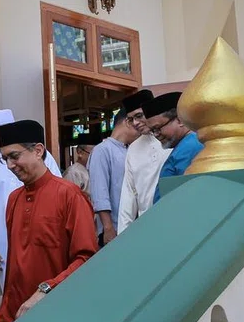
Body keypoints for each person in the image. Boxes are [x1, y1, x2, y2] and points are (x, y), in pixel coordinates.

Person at [0, 120, 98, 322]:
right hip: (10, 317)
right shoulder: (14, 199)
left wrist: (46, 290)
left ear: (38, 151)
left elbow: (86, 259)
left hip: (52, 315)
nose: (9, 165)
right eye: (5, 159)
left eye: (14, 156)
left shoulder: (69, 195)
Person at [0, 109, 61, 291]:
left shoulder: (42, 157)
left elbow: (57, 192)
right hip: (4, 240)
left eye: (0, 134)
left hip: (42, 234)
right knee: (12, 288)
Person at [117, 89, 170, 233]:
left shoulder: (171, 139)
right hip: (146, 225)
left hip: (173, 218)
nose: (135, 122)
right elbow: (128, 193)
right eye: (130, 119)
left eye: (139, 116)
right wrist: (123, 234)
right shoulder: (133, 149)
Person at [87, 110, 139, 246]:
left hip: (130, 226)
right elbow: (100, 193)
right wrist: (108, 227)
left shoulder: (131, 150)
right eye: (136, 122)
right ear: (128, 122)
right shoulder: (102, 150)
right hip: (113, 228)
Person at [142, 92, 205, 203]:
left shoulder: (190, 147)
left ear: (179, 120)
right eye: (152, 131)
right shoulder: (185, 145)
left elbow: (188, 196)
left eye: (158, 128)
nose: (156, 135)